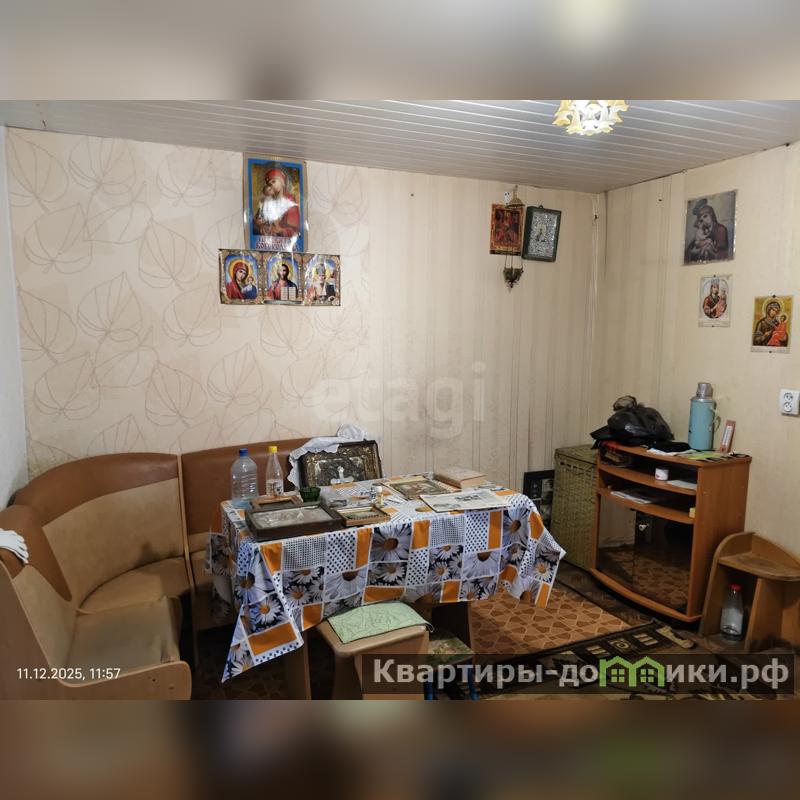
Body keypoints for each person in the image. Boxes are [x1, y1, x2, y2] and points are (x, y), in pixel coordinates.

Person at [253, 166, 300, 240]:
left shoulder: (290, 201)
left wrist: (281, 230)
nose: (271, 185)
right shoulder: (268, 201)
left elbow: (295, 230)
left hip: (283, 241)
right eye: (269, 183)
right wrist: (260, 226)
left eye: (273, 181)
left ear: (282, 182)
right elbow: (258, 220)